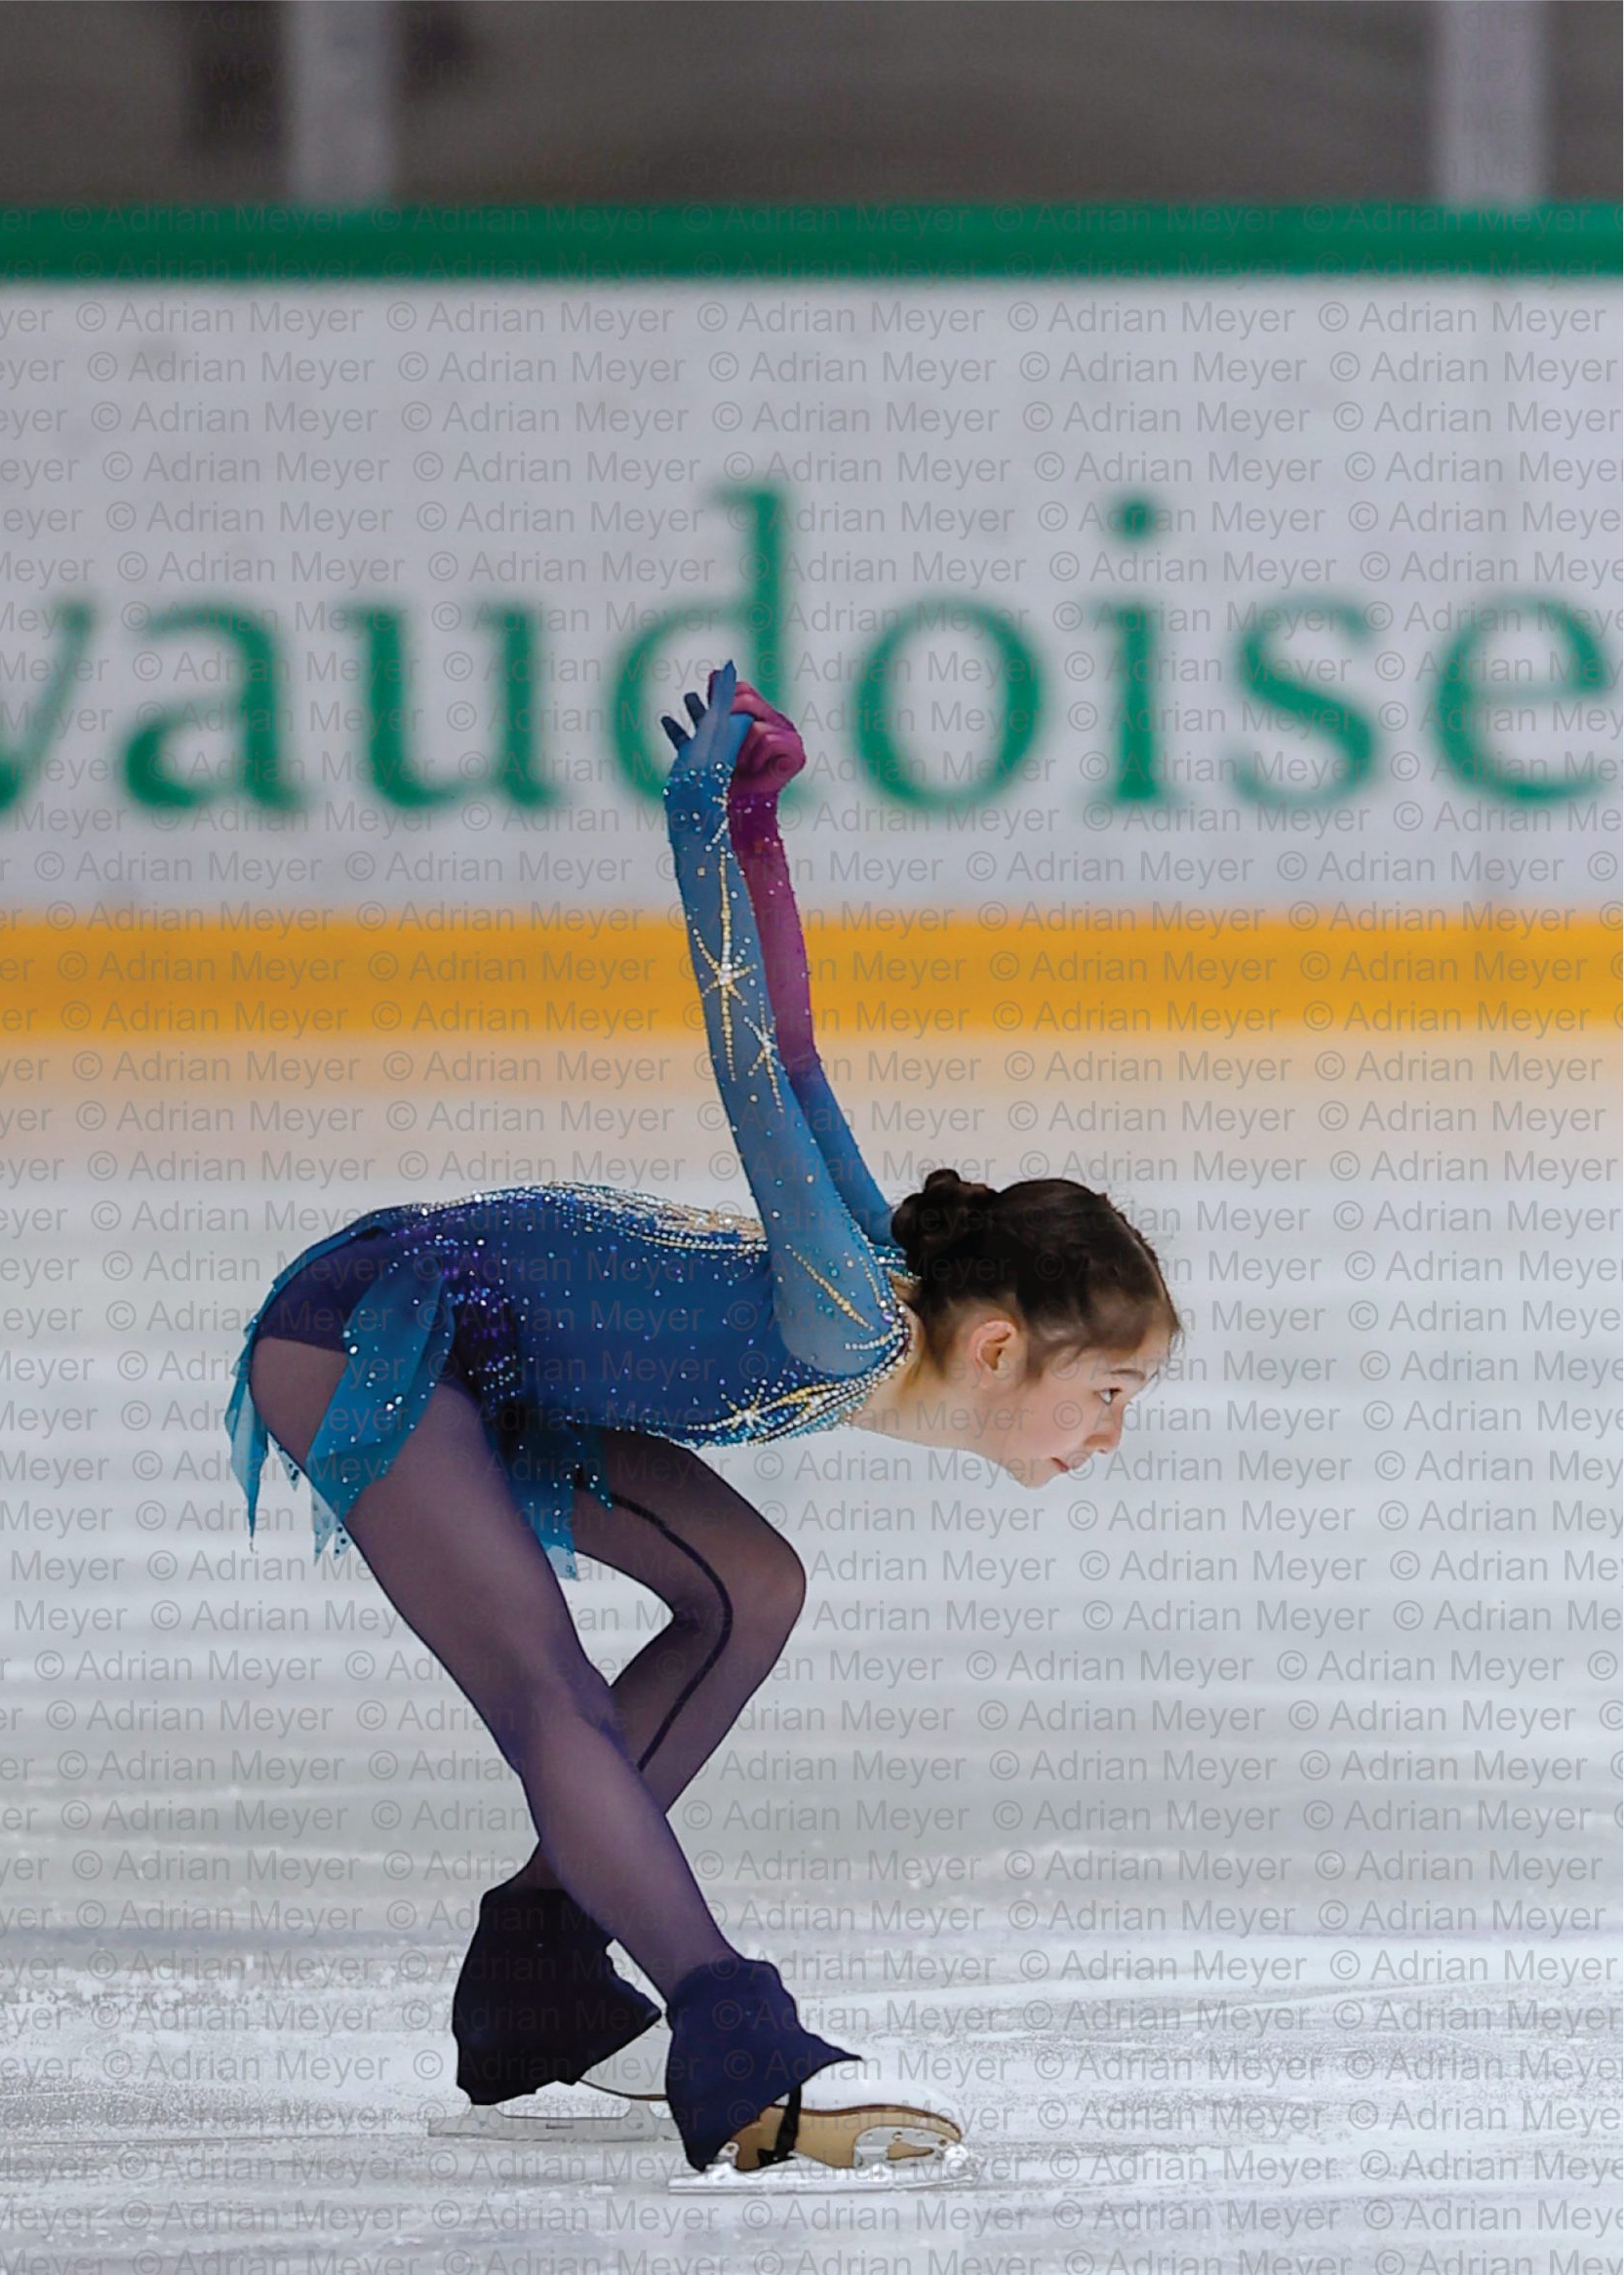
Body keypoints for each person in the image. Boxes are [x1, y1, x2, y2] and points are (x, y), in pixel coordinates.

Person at [225, 663, 1183, 2175]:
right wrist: (700, 825)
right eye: (1110, 1391)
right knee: (544, 1685)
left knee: (753, 1586)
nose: (1115, 1430)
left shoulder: (891, 1273)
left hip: (500, 1368)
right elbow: (751, 1062)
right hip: (371, 1335)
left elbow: (801, 1050)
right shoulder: (849, 1312)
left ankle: (539, 1959)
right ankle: (734, 2043)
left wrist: (761, 825)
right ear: (1000, 1348)